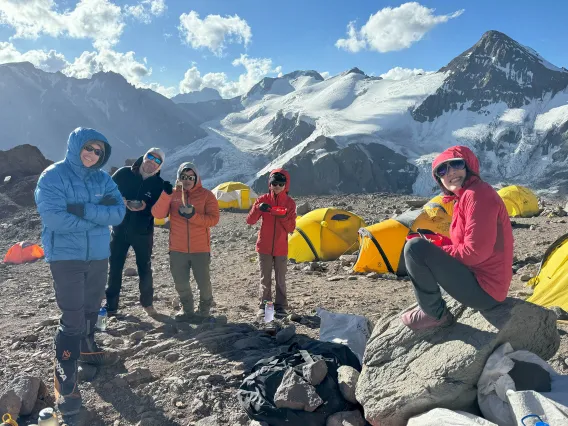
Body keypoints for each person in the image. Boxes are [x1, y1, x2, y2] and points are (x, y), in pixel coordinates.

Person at [34, 127, 126, 419]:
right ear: (76, 146)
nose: (93, 154)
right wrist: (99, 218)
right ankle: (65, 376)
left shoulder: (103, 178)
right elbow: (54, 219)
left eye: (99, 151)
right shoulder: (53, 176)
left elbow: (119, 213)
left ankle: (86, 347)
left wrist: (84, 210)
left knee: (90, 308)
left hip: (98, 256)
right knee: (72, 316)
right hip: (66, 257)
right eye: (89, 148)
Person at [401, 145, 513, 331]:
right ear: (439, 179)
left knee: (415, 248)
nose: (450, 172)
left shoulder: (478, 195)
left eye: (456, 164)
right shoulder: (466, 197)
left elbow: (475, 252)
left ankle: (434, 314)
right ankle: (432, 307)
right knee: (420, 247)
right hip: (480, 282)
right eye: (442, 170)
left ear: (468, 166)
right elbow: (464, 245)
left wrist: (434, 250)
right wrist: (439, 243)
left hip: (485, 291)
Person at [104, 148, 171, 317]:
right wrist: (122, 201)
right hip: (119, 229)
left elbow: (160, 211)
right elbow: (107, 192)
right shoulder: (123, 173)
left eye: (157, 161)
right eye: (150, 157)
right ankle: (111, 306)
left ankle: (147, 304)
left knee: (145, 268)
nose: (151, 162)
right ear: (144, 157)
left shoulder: (158, 184)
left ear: (160, 166)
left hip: (143, 232)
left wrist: (145, 207)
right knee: (115, 268)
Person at [152, 162, 220, 322]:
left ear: (196, 178)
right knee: (180, 282)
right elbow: (158, 214)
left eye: (191, 177)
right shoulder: (173, 195)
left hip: (200, 248)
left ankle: (204, 311)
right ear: (179, 178)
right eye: (184, 177)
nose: (187, 180)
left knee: (203, 282)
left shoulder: (206, 195)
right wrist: (165, 194)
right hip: (177, 249)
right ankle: (187, 310)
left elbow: (214, 219)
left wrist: (193, 216)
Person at [246, 169, 297, 319]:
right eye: (274, 183)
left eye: (281, 183)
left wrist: (279, 215)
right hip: (264, 246)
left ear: (285, 185)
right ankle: (265, 306)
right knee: (265, 278)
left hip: (281, 247)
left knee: (281, 278)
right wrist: (257, 208)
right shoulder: (262, 199)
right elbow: (250, 220)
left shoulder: (290, 203)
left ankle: (281, 307)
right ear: (270, 183)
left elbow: (291, 228)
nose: (277, 186)